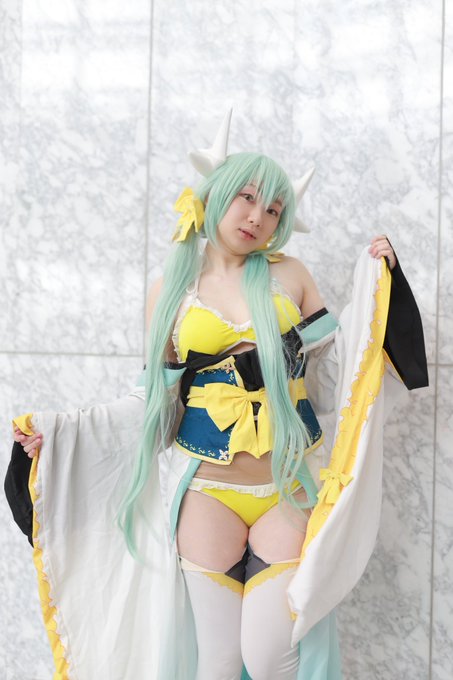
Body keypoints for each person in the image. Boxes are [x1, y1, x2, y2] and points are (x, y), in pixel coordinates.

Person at [7, 111, 428, 680]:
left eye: (274, 209)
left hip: (285, 486)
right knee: (219, 663)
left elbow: (334, 371)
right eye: (247, 198)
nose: (258, 217)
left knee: (270, 656)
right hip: (207, 494)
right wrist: (63, 436)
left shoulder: (291, 275)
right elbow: (152, 403)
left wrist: (377, 284)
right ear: (216, 196)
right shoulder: (171, 290)